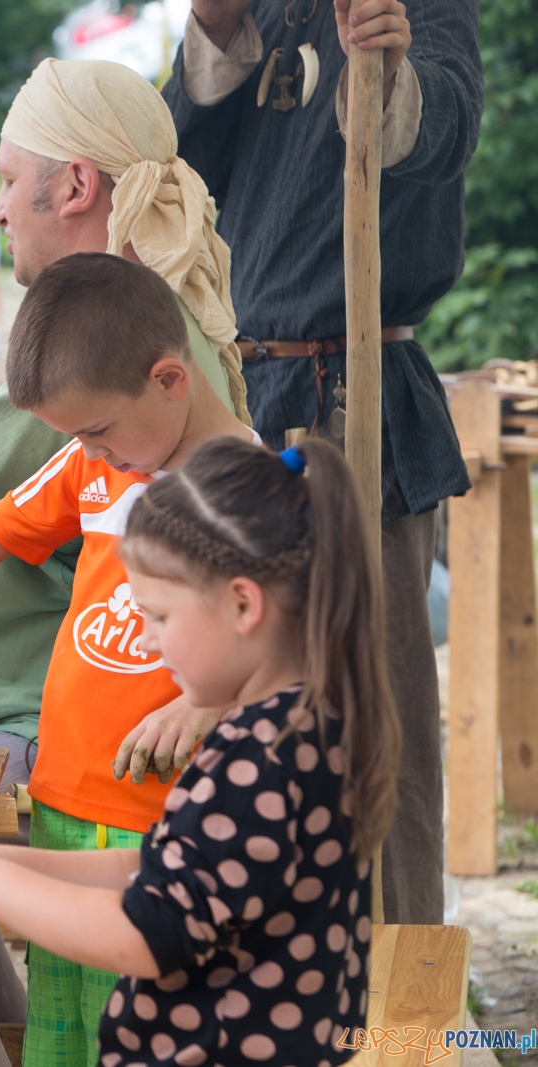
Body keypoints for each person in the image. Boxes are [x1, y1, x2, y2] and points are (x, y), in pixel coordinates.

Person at [0, 60, 256, 1067]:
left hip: (151, 808)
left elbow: (305, 636)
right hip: (73, 788)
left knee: (142, 1018)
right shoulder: (100, 443)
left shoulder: (203, 453)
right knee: (70, 1030)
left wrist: (207, 703)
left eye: (7, 178)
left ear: (74, 187)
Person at [0, 433, 400, 1066]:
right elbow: (155, 866)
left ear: (243, 604)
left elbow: (148, 933)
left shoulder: (263, 758)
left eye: (160, 616)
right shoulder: (289, 725)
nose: (144, 639)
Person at [163, 0, 480, 928]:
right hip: (242, 395)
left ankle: (402, 984)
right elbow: (175, 173)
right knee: (241, 707)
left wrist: (385, 67)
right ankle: (274, 969)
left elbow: (445, 128)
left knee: (373, 713)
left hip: (355, 399)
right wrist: (215, 30)